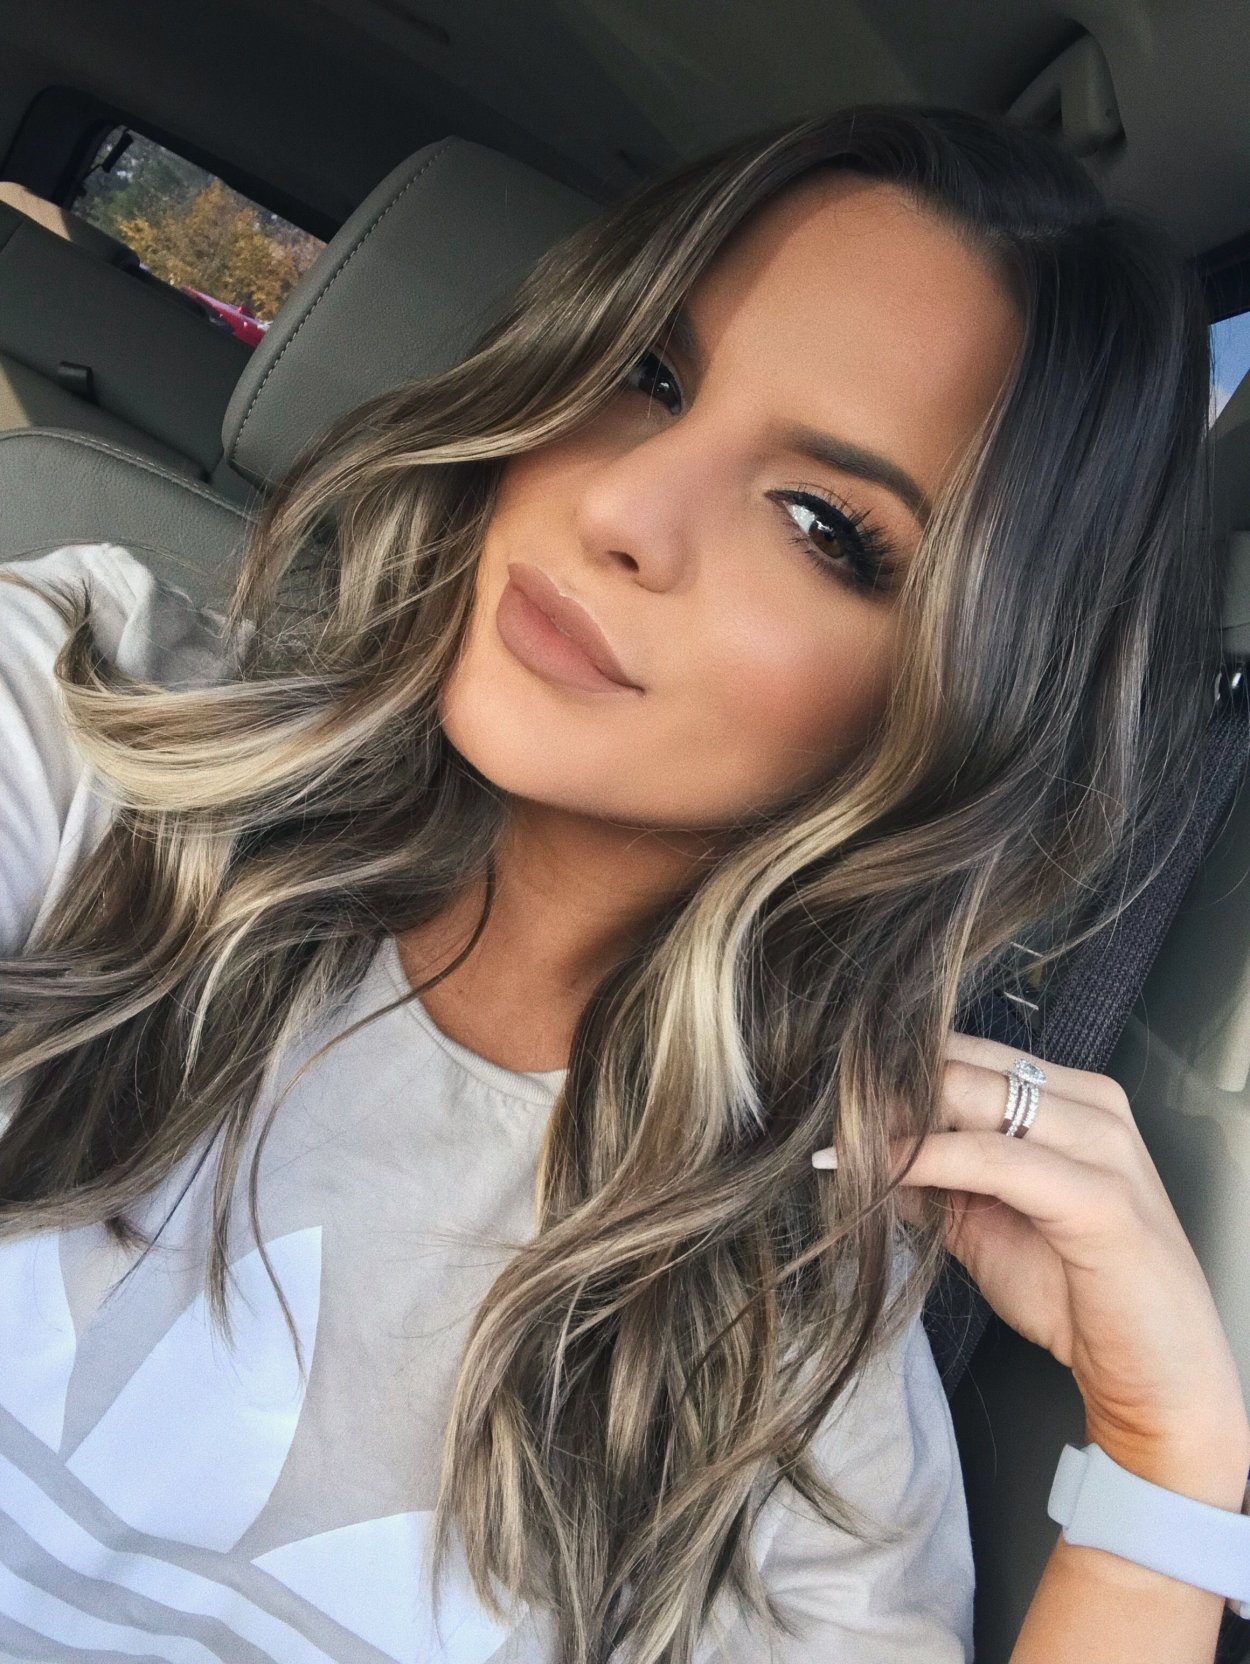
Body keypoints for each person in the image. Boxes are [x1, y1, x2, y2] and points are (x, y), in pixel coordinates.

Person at [0, 102, 1245, 1664]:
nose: (619, 509)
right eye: (646, 373)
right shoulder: (93, 725)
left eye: (823, 527)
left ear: (956, 707)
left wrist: (1166, 1461)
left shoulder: (787, 1333)